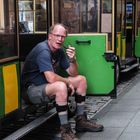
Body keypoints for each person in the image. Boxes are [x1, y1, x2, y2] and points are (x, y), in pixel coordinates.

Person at [21, 23, 104, 140]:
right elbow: (51, 78)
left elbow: (73, 73)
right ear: (50, 36)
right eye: (57, 35)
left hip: (47, 86)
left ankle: (81, 121)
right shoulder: (43, 49)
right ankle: (65, 130)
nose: (60, 39)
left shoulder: (59, 51)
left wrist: (73, 60)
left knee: (81, 80)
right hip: (31, 90)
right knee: (60, 86)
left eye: (63, 36)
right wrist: (67, 82)